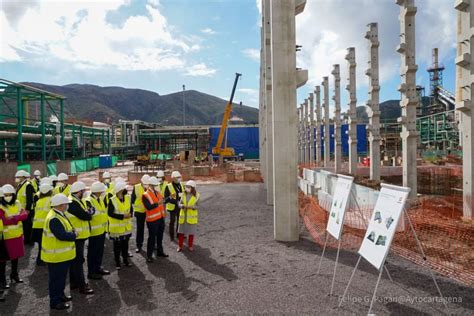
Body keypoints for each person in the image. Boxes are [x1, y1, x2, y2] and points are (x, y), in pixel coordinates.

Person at [42, 193, 76, 310]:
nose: (67, 206)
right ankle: (55, 302)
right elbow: (61, 235)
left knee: (61, 278)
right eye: (66, 204)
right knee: (56, 280)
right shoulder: (54, 218)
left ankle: (60, 296)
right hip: (56, 256)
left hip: (61, 256)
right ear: (61, 205)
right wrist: (73, 235)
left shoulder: (59, 214)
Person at [66, 181, 93, 295]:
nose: (84, 193)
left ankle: (74, 283)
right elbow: (85, 216)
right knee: (78, 261)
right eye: (83, 191)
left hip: (78, 236)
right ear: (79, 192)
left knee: (74, 261)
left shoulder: (75, 200)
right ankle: (82, 285)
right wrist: (88, 213)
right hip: (78, 237)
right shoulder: (72, 203)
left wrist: (87, 212)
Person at [0, 184, 28, 286]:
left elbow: (24, 215)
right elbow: (4, 221)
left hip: (17, 235)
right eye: (5, 195)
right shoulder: (1, 206)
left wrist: (14, 218)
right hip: (5, 237)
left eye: (10, 194)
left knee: (15, 257)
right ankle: (2, 280)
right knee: (3, 260)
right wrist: (17, 217)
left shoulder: (17, 203)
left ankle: (14, 274)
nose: (8, 197)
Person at [85, 182, 110, 280]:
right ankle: (91, 272)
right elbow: (90, 215)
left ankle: (98, 268)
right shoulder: (89, 201)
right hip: (94, 232)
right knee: (92, 252)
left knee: (100, 251)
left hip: (101, 230)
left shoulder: (100, 199)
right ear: (98, 191)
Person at [107, 181, 133, 269]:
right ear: (119, 190)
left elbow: (131, 208)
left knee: (125, 245)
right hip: (117, 229)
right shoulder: (112, 200)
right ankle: (117, 262)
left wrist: (130, 214)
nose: (125, 190)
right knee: (117, 247)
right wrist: (122, 216)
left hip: (126, 228)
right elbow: (110, 213)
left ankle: (125, 260)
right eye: (123, 189)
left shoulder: (128, 198)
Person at [142, 176, 168, 262]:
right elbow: (148, 207)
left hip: (160, 218)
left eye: (156, 185)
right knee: (152, 238)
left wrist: (170, 198)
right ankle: (149, 256)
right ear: (150, 185)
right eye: (154, 185)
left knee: (160, 237)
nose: (156, 186)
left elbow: (163, 201)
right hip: (152, 221)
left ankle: (160, 252)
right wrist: (157, 203)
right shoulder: (145, 195)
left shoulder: (158, 193)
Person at [32, 182, 54, 266]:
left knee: (41, 245)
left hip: (36, 226)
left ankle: (41, 260)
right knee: (45, 245)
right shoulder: (51, 200)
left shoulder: (39, 200)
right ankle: (41, 261)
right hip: (44, 226)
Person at [177, 180, 200, 252]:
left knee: (191, 233)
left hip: (191, 218)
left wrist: (192, 207)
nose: (186, 188)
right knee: (181, 233)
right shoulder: (183, 194)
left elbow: (198, 206)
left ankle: (190, 246)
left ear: (192, 188)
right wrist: (182, 206)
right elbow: (179, 204)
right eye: (186, 187)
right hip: (183, 217)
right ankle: (180, 246)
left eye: (188, 187)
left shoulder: (197, 196)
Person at [131, 174, 150, 253]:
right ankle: (139, 245)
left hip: (149, 211)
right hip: (139, 211)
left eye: (147, 184)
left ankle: (153, 245)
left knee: (151, 228)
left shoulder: (151, 188)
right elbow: (132, 199)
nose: (146, 185)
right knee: (140, 229)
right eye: (145, 184)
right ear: (141, 182)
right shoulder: (136, 187)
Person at [15, 170, 35, 245]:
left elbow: (29, 198)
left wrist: (28, 209)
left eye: (18, 177)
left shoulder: (28, 185)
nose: (16, 178)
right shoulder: (19, 185)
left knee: (28, 225)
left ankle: (29, 240)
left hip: (26, 210)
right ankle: (25, 239)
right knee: (23, 225)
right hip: (20, 210)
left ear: (23, 177)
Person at [164, 171, 184, 241]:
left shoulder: (181, 185)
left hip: (180, 206)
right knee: (172, 221)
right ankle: (171, 236)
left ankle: (179, 234)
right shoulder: (168, 186)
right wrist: (176, 202)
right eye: (177, 177)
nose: (179, 179)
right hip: (173, 207)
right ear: (173, 178)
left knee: (180, 220)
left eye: (179, 177)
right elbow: (166, 199)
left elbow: (183, 195)